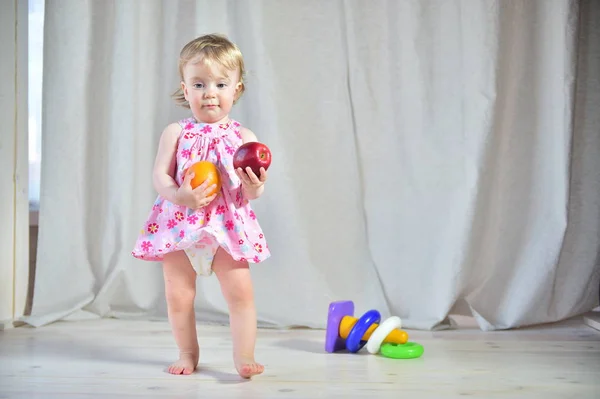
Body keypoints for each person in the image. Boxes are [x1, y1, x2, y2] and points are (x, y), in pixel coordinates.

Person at [131, 33, 270, 378]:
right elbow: (160, 176)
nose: (210, 92)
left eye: (221, 83)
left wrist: (256, 186)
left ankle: (244, 356)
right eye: (199, 83)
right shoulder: (176, 133)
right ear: (185, 89)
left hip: (226, 226)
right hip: (181, 224)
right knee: (179, 296)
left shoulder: (245, 138)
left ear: (236, 89)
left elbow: (250, 194)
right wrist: (181, 196)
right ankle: (187, 352)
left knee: (240, 294)